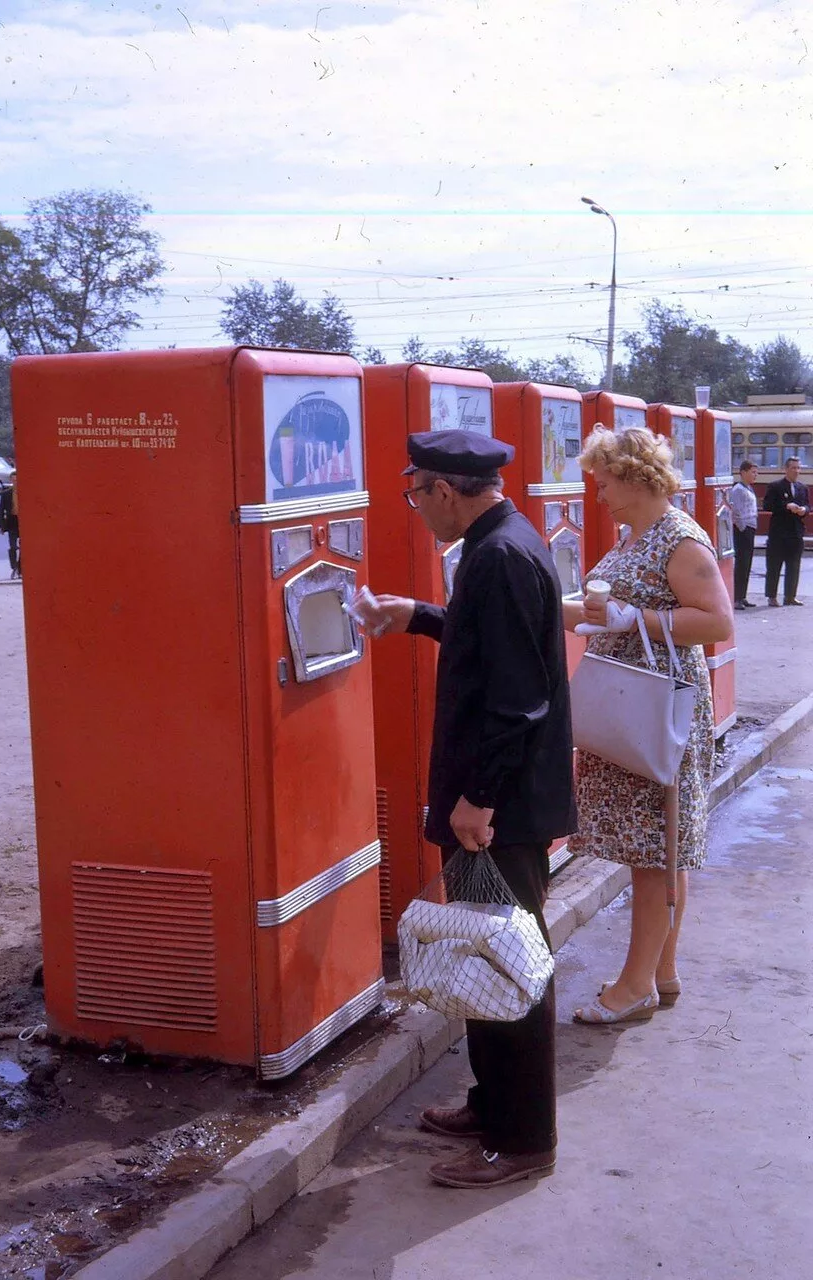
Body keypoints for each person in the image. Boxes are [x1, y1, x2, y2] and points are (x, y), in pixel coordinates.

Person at [374, 429, 576, 1189]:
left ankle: (524, 1140)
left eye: (415, 494)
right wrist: (420, 614)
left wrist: (477, 800)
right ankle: (494, 1104)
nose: (417, 510)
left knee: (509, 960)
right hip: (499, 800)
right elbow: (492, 646)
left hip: (501, 807)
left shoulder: (499, 556)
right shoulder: (504, 543)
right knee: (484, 952)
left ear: (445, 489)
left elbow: (519, 699)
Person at [565, 427, 733, 1024]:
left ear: (636, 477)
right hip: (636, 702)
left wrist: (636, 616)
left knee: (654, 850)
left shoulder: (680, 539)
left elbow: (716, 623)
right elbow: (603, 610)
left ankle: (634, 985)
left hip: (657, 707)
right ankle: (661, 970)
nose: (600, 491)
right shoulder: (638, 534)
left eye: (605, 480)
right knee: (663, 846)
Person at [763, 456, 809, 606]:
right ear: (786, 469)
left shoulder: (803, 488)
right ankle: (772, 596)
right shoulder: (775, 486)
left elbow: (808, 506)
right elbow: (767, 505)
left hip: (796, 533)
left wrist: (804, 510)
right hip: (779, 533)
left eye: (798, 468)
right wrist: (786, 506)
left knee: (794, 566)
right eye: (793, 468)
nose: (796, 471)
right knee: (774, 565)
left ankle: (790, 596)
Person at [729, 460, 758, 610]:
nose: (755, 475)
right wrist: (742, 528)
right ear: (743, 472)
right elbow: (736, 511)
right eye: (753, 472)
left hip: (750, 527)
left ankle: (743, 595)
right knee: (742, 563)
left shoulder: (749, 488)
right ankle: (736, 597)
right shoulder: (738, 489)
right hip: (744, 529)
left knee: (747, 564)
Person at [0, 471, 20, 580]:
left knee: (24, 548)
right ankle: (14, 566)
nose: (15, 482)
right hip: (11, 522)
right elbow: (1, 511)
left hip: (23, 523)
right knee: (13, 546)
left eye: (17, 479)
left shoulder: (26, 492)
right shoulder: (6, 494)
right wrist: (1, 526)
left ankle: (20, 568)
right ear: (11, 480)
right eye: (13, 480)